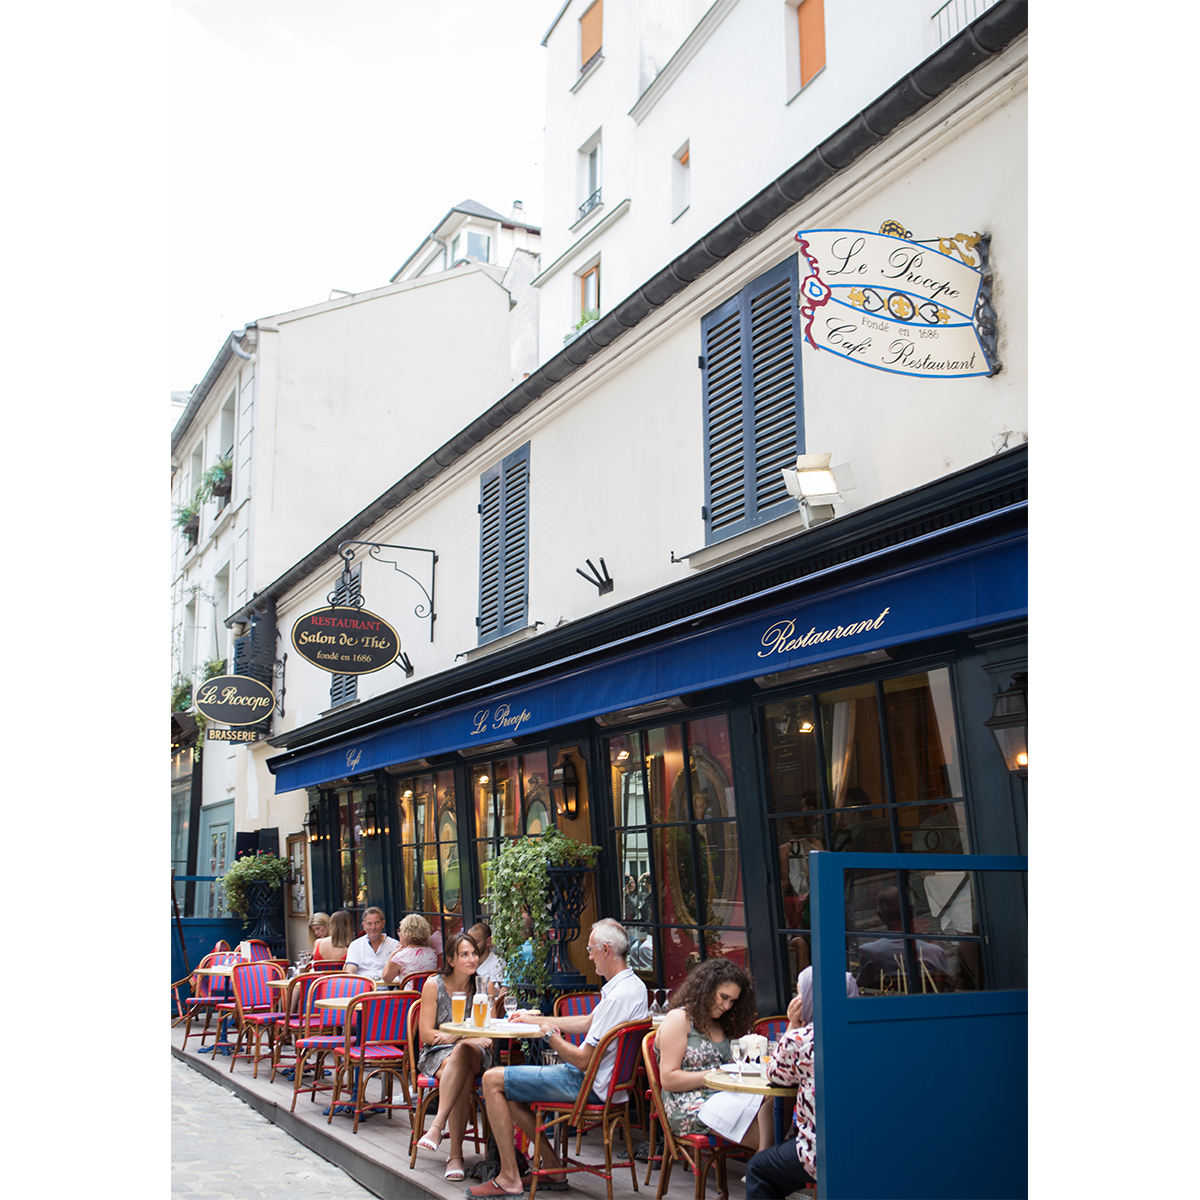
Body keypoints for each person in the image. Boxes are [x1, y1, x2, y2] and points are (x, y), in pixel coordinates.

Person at [467, 918, 648, 1198]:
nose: (589, 956)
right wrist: (537, 1020)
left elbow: (582, 1060)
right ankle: (552, 1166)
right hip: (610, 1085)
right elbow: (587, 1021)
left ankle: (509, 1177)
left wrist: (549, 1036)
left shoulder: (616, 997)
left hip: (587, 1084)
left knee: (492, 1079)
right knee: (509, 1088)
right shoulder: (633, 986)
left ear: (606, 950)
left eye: (591, 950)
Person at [655, 957, 772, 1150]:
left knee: (773, 1101)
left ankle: (763, 1163)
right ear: (707, 988)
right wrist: (716, 1075)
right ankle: (764, 1163)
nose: (727, 1006)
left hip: (722, 1096)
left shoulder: (720, 1023)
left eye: (732, 1001)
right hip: (689, 1105)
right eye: (723, 997)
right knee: (767, 1136)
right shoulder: (679, 1019)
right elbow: (668, 1079)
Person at [414, 931, 494, 1181]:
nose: (472, 959)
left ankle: (437, 1127)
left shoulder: (484, 986)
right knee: (461, 1069)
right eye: (464, 955)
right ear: (450, 960)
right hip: (439, 1054)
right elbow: (427, 1034)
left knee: (462, 1054)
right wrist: (463, 1039)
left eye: (474, 954)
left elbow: (489, 1031)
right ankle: (455, 1155)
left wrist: (457, 1038)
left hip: (476, 1052)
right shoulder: (433, 985)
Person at [744, 991, 817, 1198]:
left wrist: (793, 1026)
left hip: (821, 1149)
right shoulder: (871, 1034)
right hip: (873, 1143)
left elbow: (774, 1073)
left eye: (800, 994)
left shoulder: (803, 1039)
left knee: (758, 1169)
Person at [854, 887, 950, 992]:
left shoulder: (869, 952)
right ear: (911, 911)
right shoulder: (934, 952)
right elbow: (946, 988)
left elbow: (862, 988)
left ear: (880, 916)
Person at [343, 907, 399, 980]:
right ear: (364, 926)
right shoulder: (356, 945)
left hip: (388, 986)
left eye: (377, 923)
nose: (373, 927)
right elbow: (350, 971)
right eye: (369, 924)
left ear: (383, 923)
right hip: (363, 986)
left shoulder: (394, 945)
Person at [381, 913, 439, 984]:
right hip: (428, 990)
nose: (399, 934)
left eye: (400, 931)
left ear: (406, 933)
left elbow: (386, 978)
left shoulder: (400, 956)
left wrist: (392, 954)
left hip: (409, 991)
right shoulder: (432, 954)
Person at [468, 921, 507, 988]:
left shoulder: (497, 963)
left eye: (476, 942)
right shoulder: (466, 962)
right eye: (469, 942)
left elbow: (499, 992)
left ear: (488, 942)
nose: (472, 946)